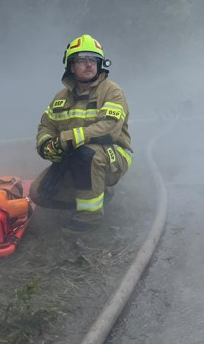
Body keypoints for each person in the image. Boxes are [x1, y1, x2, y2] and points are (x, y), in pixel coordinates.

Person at [32, 34, 132, 232]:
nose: (89, 65)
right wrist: (47, 147)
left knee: (88, 155)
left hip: (113, 155)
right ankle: (95, 194)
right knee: (39, 193)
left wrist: (66, 139)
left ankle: (89, 218)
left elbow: (109, 129)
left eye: (93, 60)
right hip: (74, 155)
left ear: (100, 64)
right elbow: (46, 127)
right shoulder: (60, 98)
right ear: (71, 66)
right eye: (82, 60)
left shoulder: (111, 91)